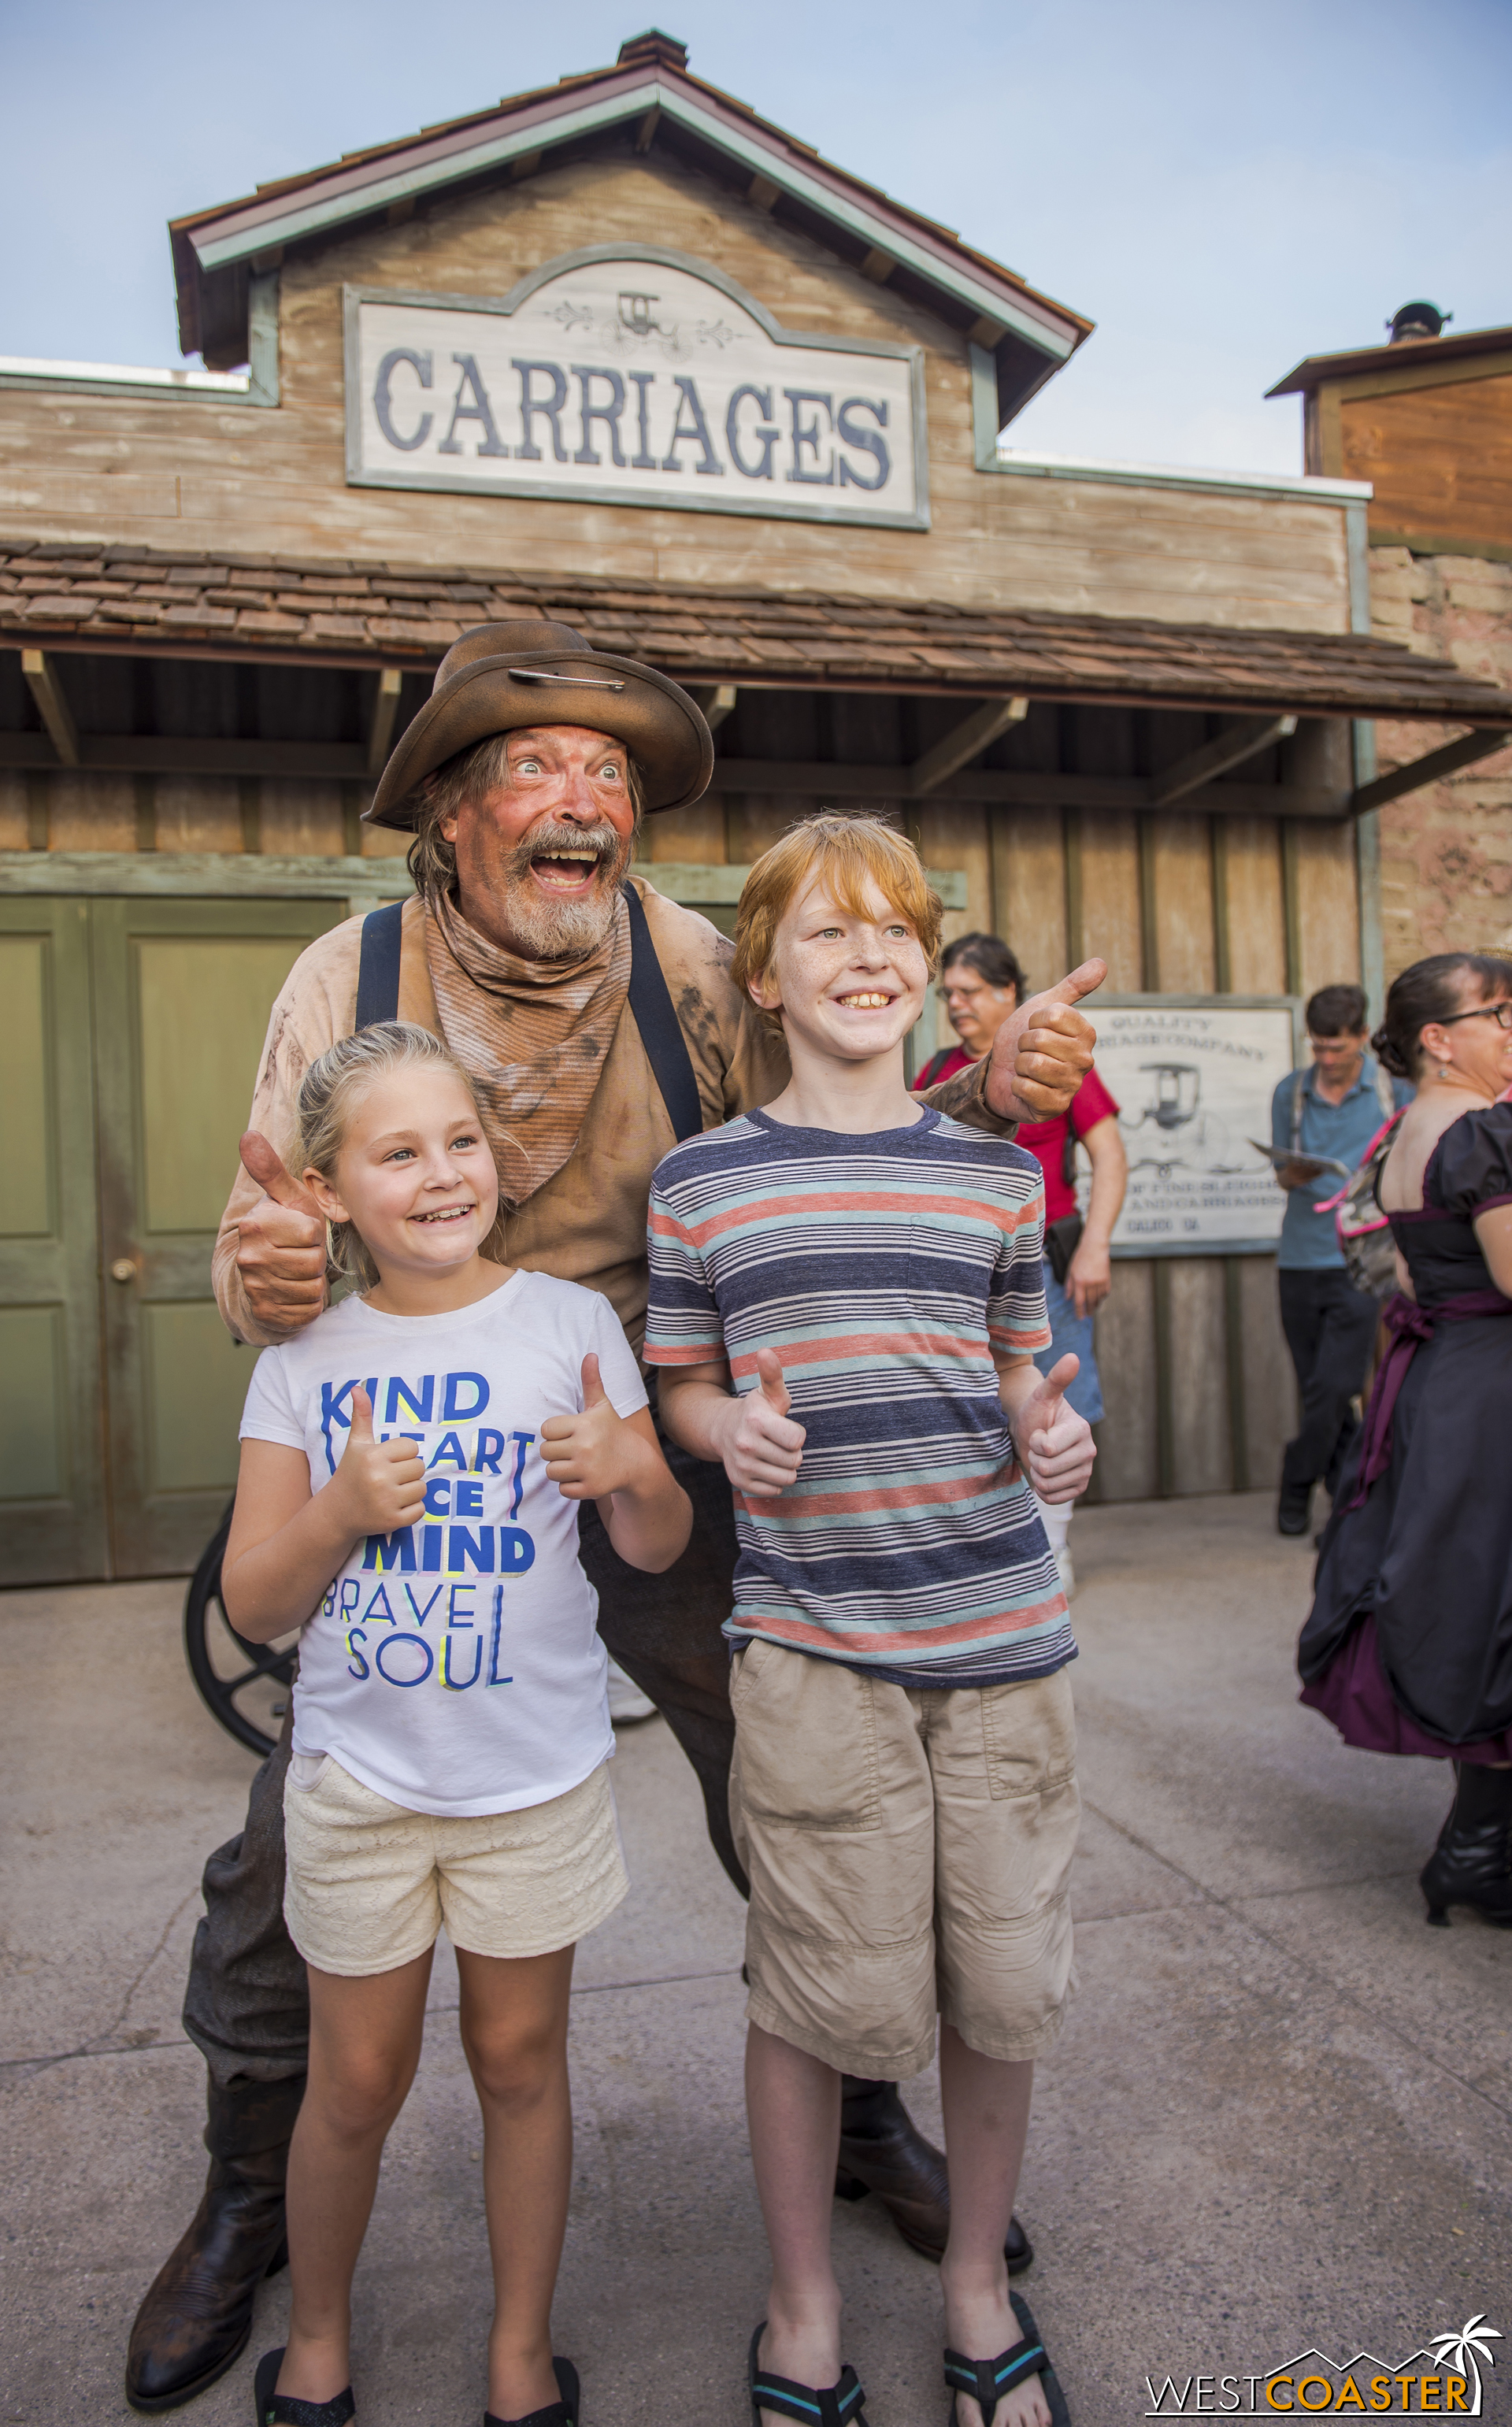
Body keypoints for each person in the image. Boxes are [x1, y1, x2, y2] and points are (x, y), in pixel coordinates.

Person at [125, 617, 1106, 2414]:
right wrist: (262, 1272)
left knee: (802, 1770)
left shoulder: (680, 957)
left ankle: (862, 2102)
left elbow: (838, 1114)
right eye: (537, 770)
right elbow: (264, 1228)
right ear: (446, 812)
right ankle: (249, 2184)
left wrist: (984, 1091)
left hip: (648, 1421)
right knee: (296, 1837)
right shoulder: (345, 972)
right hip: (426, 1443)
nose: (588, 804)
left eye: (614, 778)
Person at [648, 819, 1094, 2427]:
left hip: (1003, 1638)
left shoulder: (995, 1170)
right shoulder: (702, 1179)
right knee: (815, 1985)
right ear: (761, 975)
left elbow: (1017, 1370)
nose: (869, 957)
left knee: (1002, 1976)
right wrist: (721, 1435)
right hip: (815, 1641)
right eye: (826, 933)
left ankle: (977, 2280)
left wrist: (1054, 1435)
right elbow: (685, 1379)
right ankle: (802, 2303)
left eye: (897, 929)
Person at [225, 1021, 690, 2426]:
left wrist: (633, 1472)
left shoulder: (569, 1326)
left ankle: (516, 2348)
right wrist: (341, 1509)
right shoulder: (304, 1358)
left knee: (519, 2061)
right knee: (355, 2080)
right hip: (362, 1782)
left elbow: (657, 1546)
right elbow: (254, 1600)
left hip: (533, 1777)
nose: (442, 1174)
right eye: (398, 1150)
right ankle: (317, 2336)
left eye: (462, 1140)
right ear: (327, 1191)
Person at [1298, 953, 1512, 1929]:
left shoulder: (1406, 1134)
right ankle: (1476, 1851)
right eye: (1500, 1013)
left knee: (1479, 1598)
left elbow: (1417, 1281)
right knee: (1492, 1602)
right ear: (1440, 1035)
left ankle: (1476, 1848)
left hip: (1441, 1381)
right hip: (1491, 1386)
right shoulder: (1483, 1130)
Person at [917, 932, 1125, 1597]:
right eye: (948, 993)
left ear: (1009, 993)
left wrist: (1095, 1244)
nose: (957, 1005)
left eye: (971, 991)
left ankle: (1053, 1547)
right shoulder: (935, 1071)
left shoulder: (1052, 1059)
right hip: (959, 1266)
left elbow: (1111, 1157)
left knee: (1058, 1385)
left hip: (1045, 1259)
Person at [1269, 983, 1410, 1539]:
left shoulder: (1390, 1090)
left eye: (1338, 1048)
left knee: (1338, 1384)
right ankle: (1352, 1503)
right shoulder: (1291, 1092)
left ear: (1361, 1038)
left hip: (1363, 1257)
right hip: (1299, 1257)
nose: (1327, 1059)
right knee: (1316, 1389)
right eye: (1319, 1047)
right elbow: (1281, 1173)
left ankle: (1298, 1479)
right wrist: (1293, 1172)